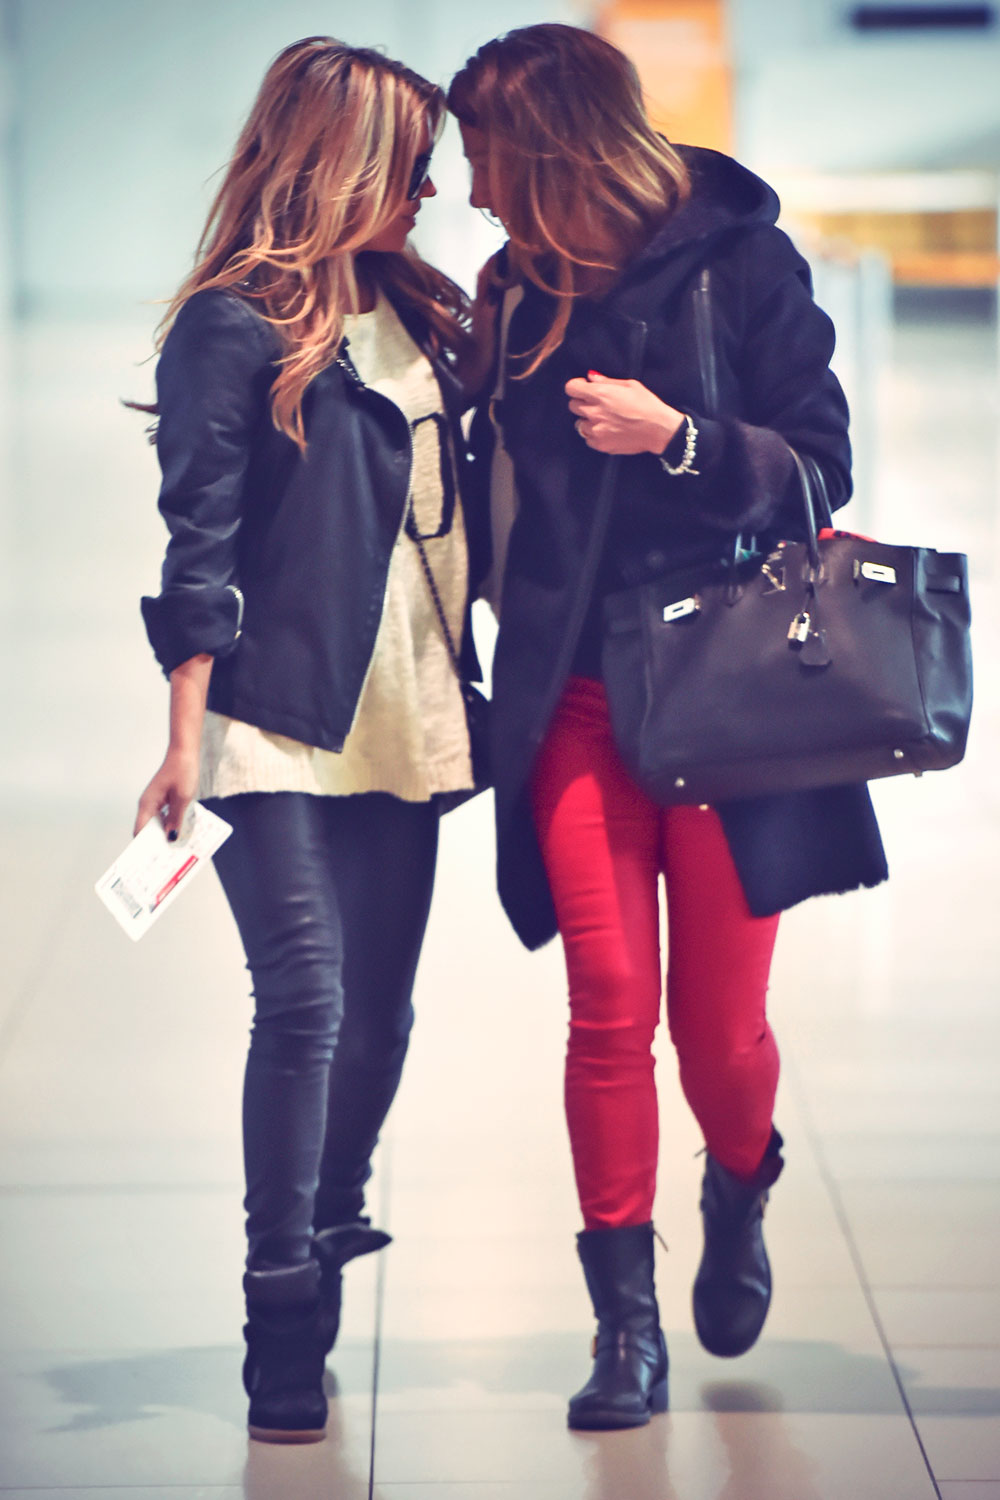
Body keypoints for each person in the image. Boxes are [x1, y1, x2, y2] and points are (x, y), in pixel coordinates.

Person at [449, 24, 888, 1432]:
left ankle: (740, 1178)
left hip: (727, 699)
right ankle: (622, 1328)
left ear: (546, 152)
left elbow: (822, 466)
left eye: (483, 160)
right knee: (606, 1013)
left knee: (718, 1033)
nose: (469, 191)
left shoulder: (746, 265)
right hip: (575, 697)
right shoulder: (511, 292)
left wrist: (679, 438)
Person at [133, 36, 480, 1444]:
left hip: (403, 706)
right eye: (412, 164)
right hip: (270, 717)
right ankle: (280, 1310)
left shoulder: (420, 310)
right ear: (345, 160)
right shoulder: (233, 326)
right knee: (309, 1002)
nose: (435, 188)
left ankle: (333, 1223)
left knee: (383, 1015)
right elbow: (196, 544)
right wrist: (181, 736)